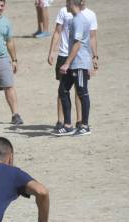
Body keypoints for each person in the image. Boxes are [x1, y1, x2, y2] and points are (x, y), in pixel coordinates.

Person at [47, 0, 97, 135]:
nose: (65, 6)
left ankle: (85, 125)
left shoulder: (79, 20)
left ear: (72, 4)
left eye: (67, 3)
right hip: (72, 62)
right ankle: (68, 125)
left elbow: (77, 44)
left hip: (79, 63)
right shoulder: (75, 19)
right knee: (63, 90)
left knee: (82, 92)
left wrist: (67, 63)